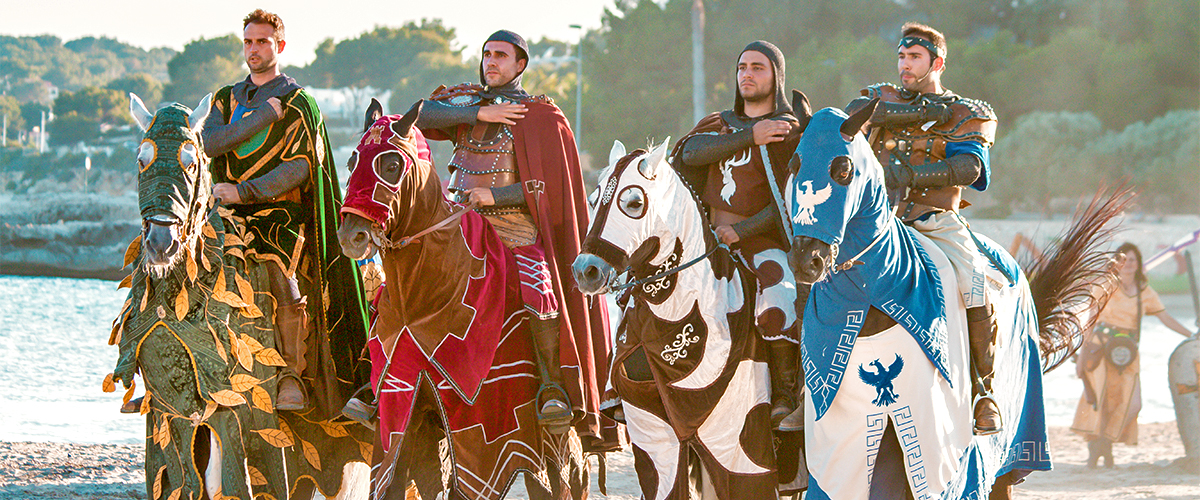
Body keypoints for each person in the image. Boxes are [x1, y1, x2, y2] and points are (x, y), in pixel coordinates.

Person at [415, 30, 610, 437]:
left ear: (520, 64)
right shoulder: (467, 103)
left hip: (512, 225)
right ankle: (390, 379)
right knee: (401, 275)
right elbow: (419, 115)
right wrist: (476, 115)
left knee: (538, 283)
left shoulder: (538, 115)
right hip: (458, 224)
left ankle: (551, 384)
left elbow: (549, 188)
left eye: (501, 56)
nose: (491, 62)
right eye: (486, 54)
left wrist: (495, 193)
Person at [201, 9, 369, 414]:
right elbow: (211, 144)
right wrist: (262, 116)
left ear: (280, 46)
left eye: (261, 41)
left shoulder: (298, 102)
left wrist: (245, 192)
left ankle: (291, 374)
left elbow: (300, 167)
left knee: (280, 271)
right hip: (224, 208)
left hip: (278, 213)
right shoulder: (225, 98)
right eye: (248, 42)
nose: (253, 49)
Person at [846, 22, 1002, 435]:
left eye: (914, 57)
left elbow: (971, 168)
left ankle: (983, 390)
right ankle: (808, 387)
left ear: (938, 62)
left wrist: (908, 174)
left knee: (973, 280)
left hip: (933, 221)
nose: (905, 65)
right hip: (876, 223)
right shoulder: (878, 101)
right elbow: (844, 131)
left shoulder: (966, 112)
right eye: (901, 56)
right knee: (817, 271)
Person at [671, 40, 805, 431]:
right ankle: (629, 381)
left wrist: (741, 230)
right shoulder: (719, 124)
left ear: (776, 76)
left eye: (758, 67)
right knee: (649, 284)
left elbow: (788, 200)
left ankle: (783, 395)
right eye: (742, 66)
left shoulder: (788, 131)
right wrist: (750, 135)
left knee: (780, 290)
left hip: (760, 239)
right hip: (704, 239)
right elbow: (691, 154)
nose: (747, 73)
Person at [1072, 243, 1195, 467]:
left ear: (1139, 264)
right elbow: (1089, 322)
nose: (1128, 265)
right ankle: (1100, 451)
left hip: (1128, 353)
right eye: (1124, 260)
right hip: (1100, 350)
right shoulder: (1104, 286)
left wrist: (1193, 335)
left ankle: (1103, 443)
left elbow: (1166, 318)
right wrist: (1081, 358)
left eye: (1133, 260)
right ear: (1116, 263)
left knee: (1133, 404)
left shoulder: (1144, 290)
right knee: (1102, 403)